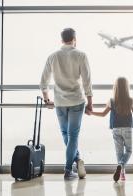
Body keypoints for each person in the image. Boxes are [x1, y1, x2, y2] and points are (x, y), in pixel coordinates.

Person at [40, 28, 93, 180]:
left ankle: (76, 160)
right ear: (74, 39)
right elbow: (87, 81)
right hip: (77, 100)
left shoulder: (53, 56)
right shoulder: (81, 55)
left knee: (66, 134)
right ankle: (68, 169)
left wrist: (46, 100)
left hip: (60, 102)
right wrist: (90, 103)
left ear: (61, 40)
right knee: (73, 136)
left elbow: (43, 82)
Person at [87, 77, 133, 182]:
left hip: (116, 129)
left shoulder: (111, 101)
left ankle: (122, 172)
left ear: (115, 88)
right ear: (127, 88)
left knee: (119, 152)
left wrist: (91, 113)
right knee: (129, 151)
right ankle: (121, 167)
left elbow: (103, 114)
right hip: (127, 129)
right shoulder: (131, 100)